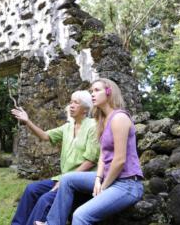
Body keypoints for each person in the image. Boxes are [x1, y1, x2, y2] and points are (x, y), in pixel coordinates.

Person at [35, 78, 144, 225]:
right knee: (67, 179)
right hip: (108, 178)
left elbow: (119, 160)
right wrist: (98, 178)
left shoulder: (119, 118)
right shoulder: (102, 120)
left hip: (127, 184)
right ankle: (53, 223)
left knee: (80, 216)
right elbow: (103, 155)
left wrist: (103, 186)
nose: (92, 94)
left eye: (97, 90)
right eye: (91, 91)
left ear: (109, 93)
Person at [10, 90, 100, 225]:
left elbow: (90, 161)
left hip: (80, 181)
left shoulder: (93, 126)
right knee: (31, 190)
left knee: (45, 199)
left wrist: (64, 181)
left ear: (85, 108)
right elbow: (45, 136)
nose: (71, 105)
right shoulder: (67, 127)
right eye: (70, 102)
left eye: (76, 102)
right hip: (62, 179)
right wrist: (27, 121)